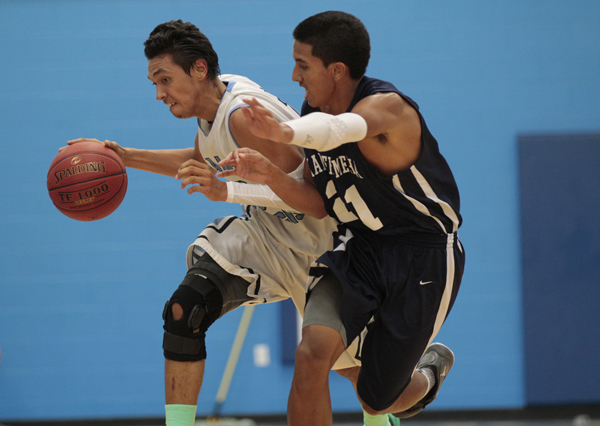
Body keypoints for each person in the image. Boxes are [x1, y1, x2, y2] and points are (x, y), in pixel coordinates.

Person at [66, 19, 391, 426]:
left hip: (322, 246)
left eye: (164, 79)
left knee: (360, 375)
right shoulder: (216, 106)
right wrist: (126, 156)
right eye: (154, 82)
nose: (159, 93)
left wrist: (227, 193)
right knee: (186, 309)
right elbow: (206, 158)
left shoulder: (241, 117)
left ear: (199, 69)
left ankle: (400, 398)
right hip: (268, 235)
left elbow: (316, 200)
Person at [218, 10, 465, 426]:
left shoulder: (388, 109)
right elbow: (318, 203)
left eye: (302, 65)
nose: (294, 75)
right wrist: (269, 176)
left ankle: (429, 372)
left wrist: (284, 135)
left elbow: (341, 129)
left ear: (336, 70)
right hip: (359, 249)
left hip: (422, 256)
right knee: (311, 355)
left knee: (376, 399)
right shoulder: (312, 113)